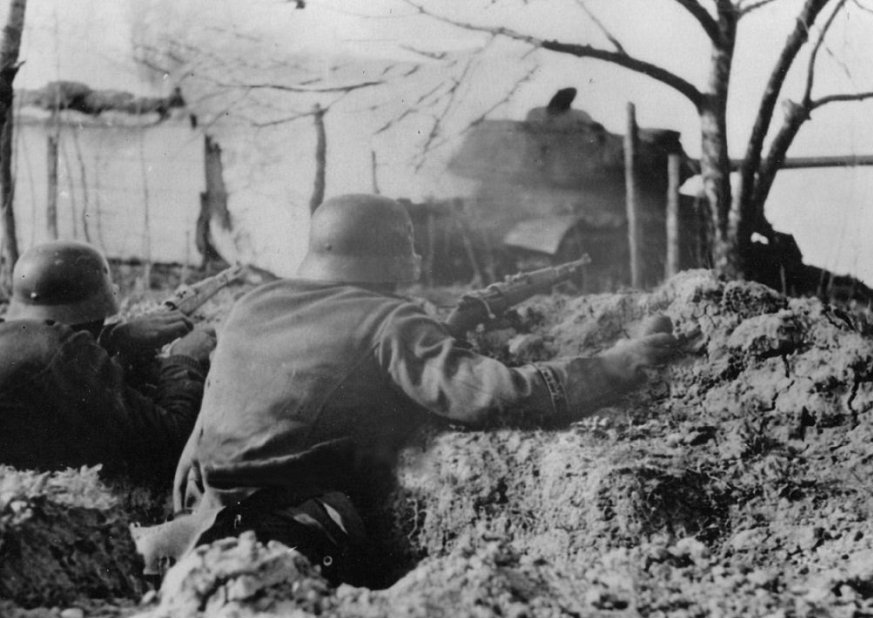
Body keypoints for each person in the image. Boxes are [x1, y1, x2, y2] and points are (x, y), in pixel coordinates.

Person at [164, 194, 685, 587]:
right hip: (284, 535)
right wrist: (617, 363)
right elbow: (495, 394)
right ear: (396, 253)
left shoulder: (253, 304)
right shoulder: (390, 320)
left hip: (198, 512)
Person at [0, 241, 216, 479]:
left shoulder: (16, 336)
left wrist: (112, 339)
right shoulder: (63, 353)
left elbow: (48, 364)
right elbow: (171, 439)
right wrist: (185, 359)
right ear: (96, 308)